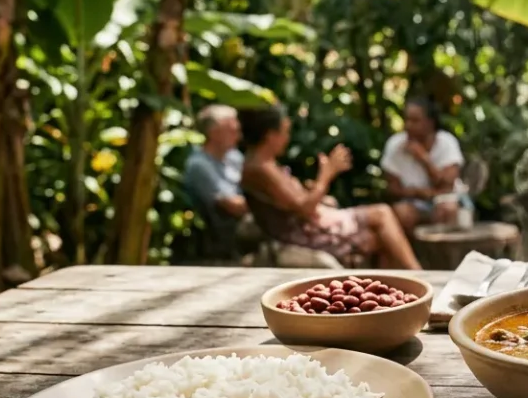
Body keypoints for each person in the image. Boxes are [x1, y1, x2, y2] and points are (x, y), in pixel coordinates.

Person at [238, 106, 422, 269]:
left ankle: (395, 289)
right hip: (303, 236)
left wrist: (315, 189)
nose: (287, 138)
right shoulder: (260, 168)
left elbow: (290, 200)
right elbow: (304, 208)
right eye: (285, 132)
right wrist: (326, 175)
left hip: (315, 223)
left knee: (382, 228)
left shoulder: (264, 164)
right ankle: (419, 277)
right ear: (270, 136)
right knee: (381, 217)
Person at [382, 98, 465, 232]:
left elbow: (446, 186)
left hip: (447, 201)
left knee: (447, 210)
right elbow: (392, 189)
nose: (408, 125)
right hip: (413, 203)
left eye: (415, 121)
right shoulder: (395, 145)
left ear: (430, 123)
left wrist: (423, 159)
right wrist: (418, 193)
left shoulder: (446, 143)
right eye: (406, 120)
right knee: (401, 213)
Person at [183, 105, 249, 255]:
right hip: (228, 230)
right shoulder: (199, 165)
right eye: (232, 131)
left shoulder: (234, 157)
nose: (238, 136)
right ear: (214, 133)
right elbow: (232, 205)